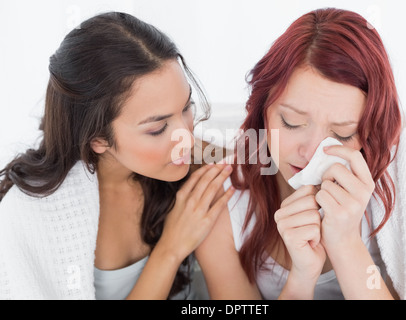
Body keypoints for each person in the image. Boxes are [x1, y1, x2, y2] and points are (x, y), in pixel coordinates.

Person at [196, 8, 406, 299]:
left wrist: (345, 243)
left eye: (342, 133)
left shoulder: (404, 187)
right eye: (291, 122)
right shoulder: (226, 201)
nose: (310, 152)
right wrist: (302, 276)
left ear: (370, 130)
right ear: (261, 110)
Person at [0, 12, 235, 300]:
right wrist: (170, 249)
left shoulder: (183, 158)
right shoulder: (30, 216)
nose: (187, 137)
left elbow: (261, 160)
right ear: (98, 138)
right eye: (158, 128)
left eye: (186, 108)